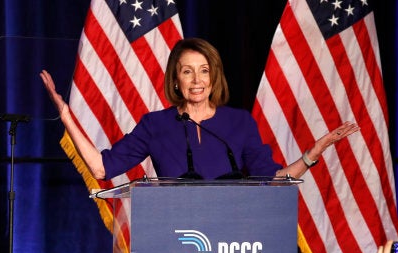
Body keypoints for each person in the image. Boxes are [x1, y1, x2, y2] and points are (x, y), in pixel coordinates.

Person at [40, 37, 359, 181]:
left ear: (214, 75)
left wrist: (311, 154)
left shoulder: (239, 123)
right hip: (175, 247)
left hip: (234, 244)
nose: (196, 80)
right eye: (187, 71)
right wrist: (66, 115)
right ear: (175, 79)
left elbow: (272, 181)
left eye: (204, 70)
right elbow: (100, 168)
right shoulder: (155, 125)